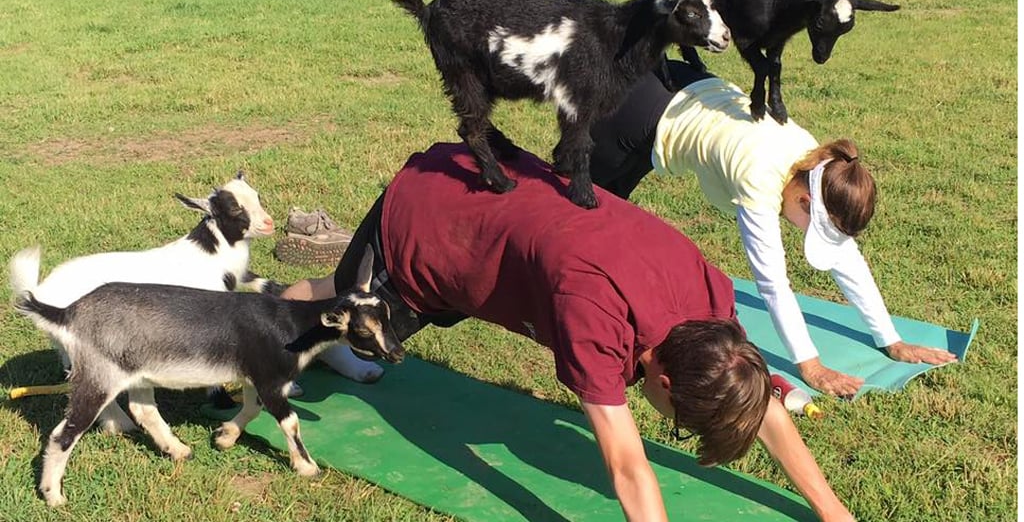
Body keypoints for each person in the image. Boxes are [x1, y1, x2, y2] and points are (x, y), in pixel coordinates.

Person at [282, 142, 854, 521]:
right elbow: (628, 465)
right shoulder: (595, 319)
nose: (666, 425)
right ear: (665, 380)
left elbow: (759, 401)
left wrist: (831, 510)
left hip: (505, 212)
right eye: (676, 423)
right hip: (431, 222)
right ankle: (266, 322)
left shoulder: (711, 308)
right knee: (336, 311)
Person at [588, 60, 956, 397]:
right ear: (806, 204)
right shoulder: (761, 178)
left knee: (606, 214)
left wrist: (890, 339)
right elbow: (773, 284)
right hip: (636, 106)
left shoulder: (820, 166)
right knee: (586, 211)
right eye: (815, 229)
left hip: (685, 84)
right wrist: (810, 366)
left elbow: (847, 260)